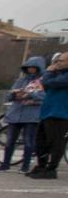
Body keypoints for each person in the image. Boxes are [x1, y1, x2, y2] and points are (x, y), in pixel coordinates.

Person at [0, 57, 45, 172]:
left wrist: (31, 95)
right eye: (28, 67)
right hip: (16, 113)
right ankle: (5, 163)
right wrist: (15, 95)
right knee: (10, 141)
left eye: (33, 68)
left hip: (32, 115)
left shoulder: (43, 81)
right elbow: (10, 95)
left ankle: (25, 165)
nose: (30, 70)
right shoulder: (20, 80)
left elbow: (44, 97)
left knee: (29, 142)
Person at [29, 50, 68, 180]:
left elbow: (49, 83)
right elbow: (46, 86)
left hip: (60, 114)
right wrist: (51, 73)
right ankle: (41, 166)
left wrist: (48, 72)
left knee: (55, 142)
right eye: (57, 60)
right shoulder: (57, 74)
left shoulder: (63, 76)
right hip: (47, 113)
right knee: (41, 141)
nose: (57, 63)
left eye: (61, 61)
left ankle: (51, 168)